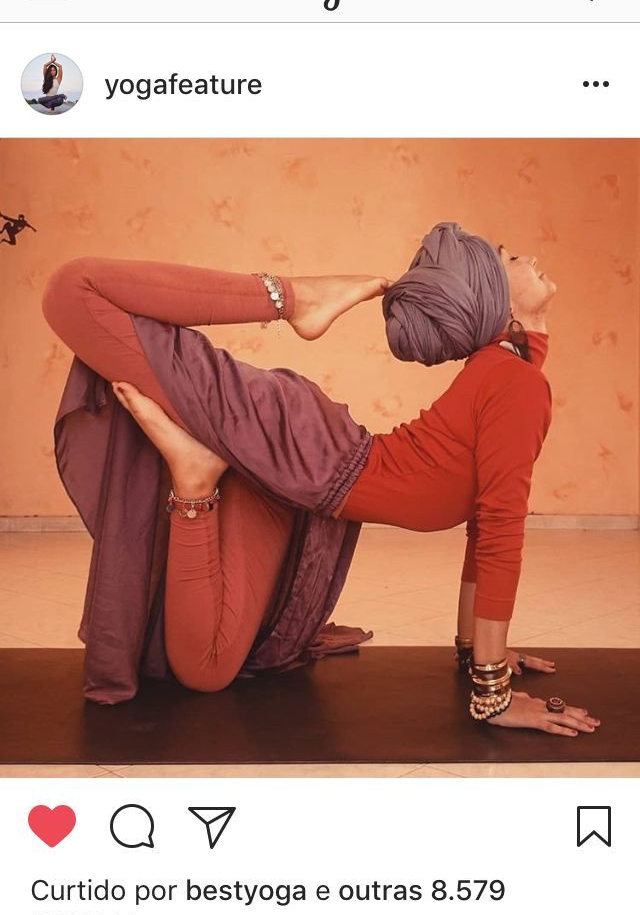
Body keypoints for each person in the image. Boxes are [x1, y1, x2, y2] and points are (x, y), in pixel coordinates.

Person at [41, 222, 600, 736]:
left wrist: (481, 653)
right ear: (495, 301)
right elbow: (501, 531)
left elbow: (490, 525)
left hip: (301, 486)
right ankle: (295, 298)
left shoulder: (511, 376)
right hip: (302, 444)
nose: (528, 257)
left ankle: (195, 480)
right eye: (509, 258)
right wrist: (493, 693)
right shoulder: (512, 379)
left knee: (205, 669)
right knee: (74, 289)